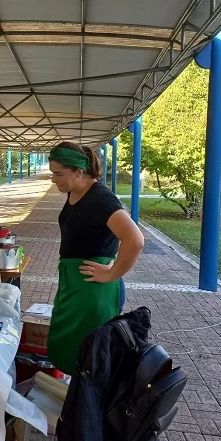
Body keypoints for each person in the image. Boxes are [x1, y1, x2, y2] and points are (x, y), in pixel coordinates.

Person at [46, 141, 145, 375]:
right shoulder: (75, 191)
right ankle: (76, 397)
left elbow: (135, 240)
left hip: (93, 290)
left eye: (58, 174)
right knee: (73, 348)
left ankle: (88, 403)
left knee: (91, 354)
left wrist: (111, 273)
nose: (53, 179)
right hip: (75, 286)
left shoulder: (101, 199)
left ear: (79, 171)